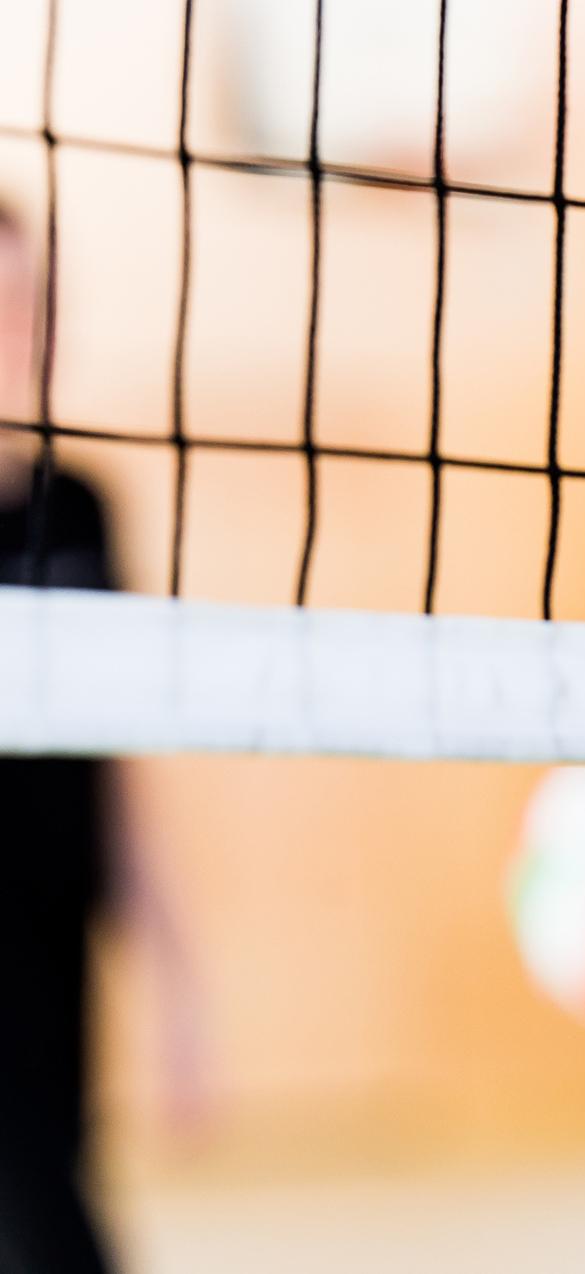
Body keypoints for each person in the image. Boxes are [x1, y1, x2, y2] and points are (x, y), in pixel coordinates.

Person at [0, 200, 201, 1274]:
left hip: (57, 953)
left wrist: (179, 982)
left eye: (29, 303)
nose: (16, 332)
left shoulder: (80, 506)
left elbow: (119, 769)